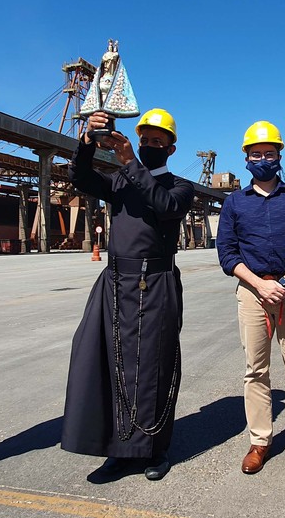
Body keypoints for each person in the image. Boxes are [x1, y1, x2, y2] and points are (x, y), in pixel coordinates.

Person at [61, 108, 194, 481]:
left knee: (154, 365)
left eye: (157, 141)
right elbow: (80, 177)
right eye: (145, 140)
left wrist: (131, 163)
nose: (149, 145)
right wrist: (88, 141)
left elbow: (164, 207)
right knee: (110, 362)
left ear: (170, 148)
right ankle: (118, 449)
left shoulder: (179, 186)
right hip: (117, 282)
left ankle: (155, 449)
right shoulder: (118, 181)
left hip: (157, 279)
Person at [215, 120, 285, 479]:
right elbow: (227, 252)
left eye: (269, 153)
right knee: (256, 371)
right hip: (252, 292)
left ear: (279, 156)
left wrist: (283, 281)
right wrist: (260, 285)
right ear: (246, 158)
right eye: (256, 153)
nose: (263, 158)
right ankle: (259, 442)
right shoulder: (234, 202)